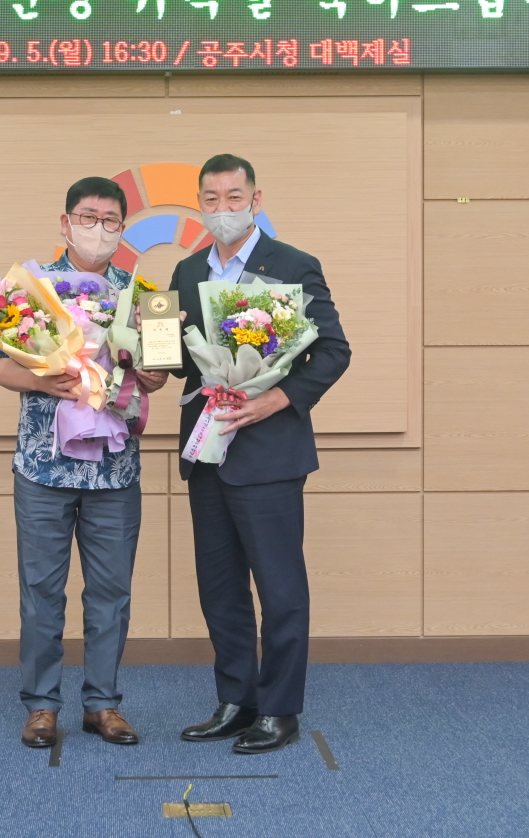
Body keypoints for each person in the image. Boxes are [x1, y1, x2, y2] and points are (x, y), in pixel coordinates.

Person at [169, 154, 351, 754]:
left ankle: (279, 710)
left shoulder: (293, 265)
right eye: (211, 199)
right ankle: (236, 700)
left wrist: (278, 399)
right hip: (207, 449)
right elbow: (181, 362)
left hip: (269, 452)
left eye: (233, 196)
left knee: (279, 588)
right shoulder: (187, 270)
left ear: (255, 199)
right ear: (200, 204)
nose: (222, 208)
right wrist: (145, 351)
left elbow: (333, 351)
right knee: (219, 587)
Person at [0, 176, 169, 749]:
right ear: (66, 223)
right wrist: (49, 380)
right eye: (88, 218)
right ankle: (41, 706)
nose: (99, 229)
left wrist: (142, 371)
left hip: (115, 470)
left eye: (110, 221)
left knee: (111, 593)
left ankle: (103, 705)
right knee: (41, 592)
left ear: (122, 229)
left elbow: (160, 375)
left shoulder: (147, 293)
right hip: (43, 466)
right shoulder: (30, 288)